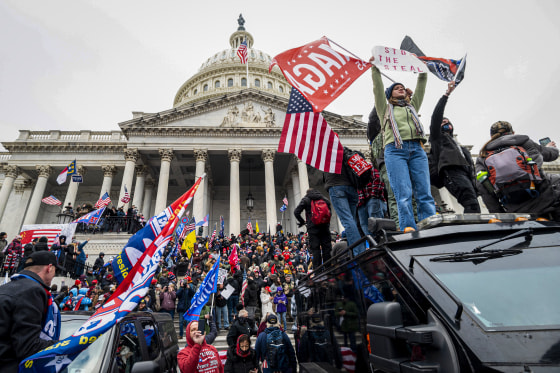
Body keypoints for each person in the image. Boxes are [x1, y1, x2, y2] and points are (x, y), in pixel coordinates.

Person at [369, 57, 436, 230]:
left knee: (423, 191)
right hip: (395, 150)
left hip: (416, 149)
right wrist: (375, 69)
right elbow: (377, 88)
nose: (400, 89)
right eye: (396, 88)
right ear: (390, 94)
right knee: (403, 192)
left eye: (402, 88)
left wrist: (422, 68)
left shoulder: (411, 107)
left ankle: (429, 224)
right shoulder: (384, 109)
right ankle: (408, 226)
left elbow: (422, 85)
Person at [476, 121, 560, 217]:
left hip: (515, 208)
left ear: (491, 137)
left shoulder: (482, 156)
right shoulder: (523, 142)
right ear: (513, 132)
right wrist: (550, 148)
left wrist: (500, 214)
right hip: (544, 199)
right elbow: (552, 155)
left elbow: (483, 188)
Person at [0, 251, 64, 372]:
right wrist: (66, 345)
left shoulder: (6, 287)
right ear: (49, 268)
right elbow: (28, 346)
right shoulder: (33, 290)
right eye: (56, 270)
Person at [429, 81, 480, 213]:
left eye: (448, 121)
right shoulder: (437, 138)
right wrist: (446, 95)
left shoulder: (457, 145)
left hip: (466, 174)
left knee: (474, 206)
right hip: (452, 173)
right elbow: (436, 117)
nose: (446, 122)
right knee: (471, 204)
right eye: (443, 121)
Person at [294, 189, 332, 269]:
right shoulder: (324, 199)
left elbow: (296, 212)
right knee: (326, 248)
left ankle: (317, 271)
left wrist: (302, 222)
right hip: (324, 227)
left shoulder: (306, 199)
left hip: (313, 227)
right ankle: (329, 269)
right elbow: (329, 212)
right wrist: (326, 222)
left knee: (315, 250)